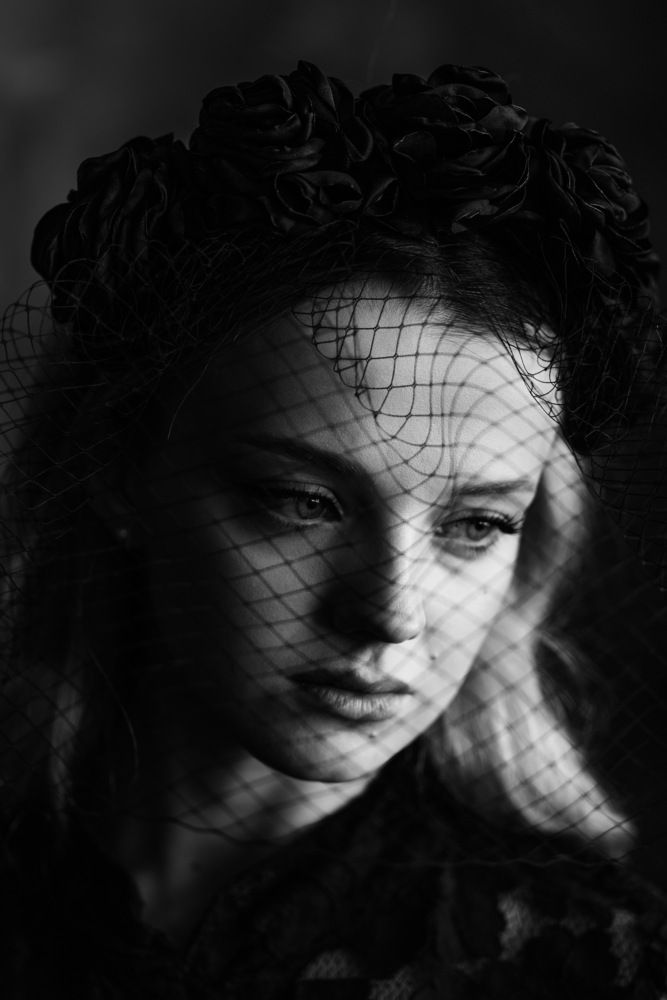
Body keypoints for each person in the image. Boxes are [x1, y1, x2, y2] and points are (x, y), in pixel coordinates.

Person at [1, 61, 666, 998]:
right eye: (303, 502)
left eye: (477, 523)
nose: (391, 614)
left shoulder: (583, 966)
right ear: (121, 469)